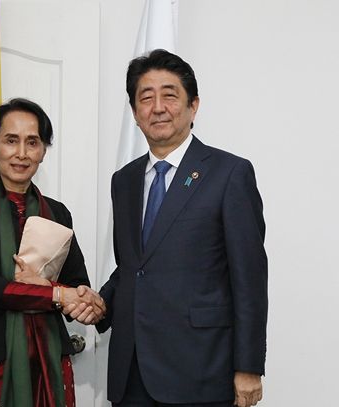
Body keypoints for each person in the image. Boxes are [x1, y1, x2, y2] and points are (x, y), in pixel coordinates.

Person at [66, 50, 268, 407]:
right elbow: (134, 267)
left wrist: (249, 367)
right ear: (135, 113)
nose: (157, 107)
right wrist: (101, 303)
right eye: (146, 97)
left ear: (193, 106)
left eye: (170, 95)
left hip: (201, 370)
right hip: (131, 372)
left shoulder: (229, 173)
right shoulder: (124, 180)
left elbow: (249, 279)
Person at [0, 98, 105, 407]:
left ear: (43, 151)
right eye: (10, 140)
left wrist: (86, 301)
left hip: (49, 360)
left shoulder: (57, 213)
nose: (21, 153)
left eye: (32, 142)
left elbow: (76, 283)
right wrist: (58, 296)